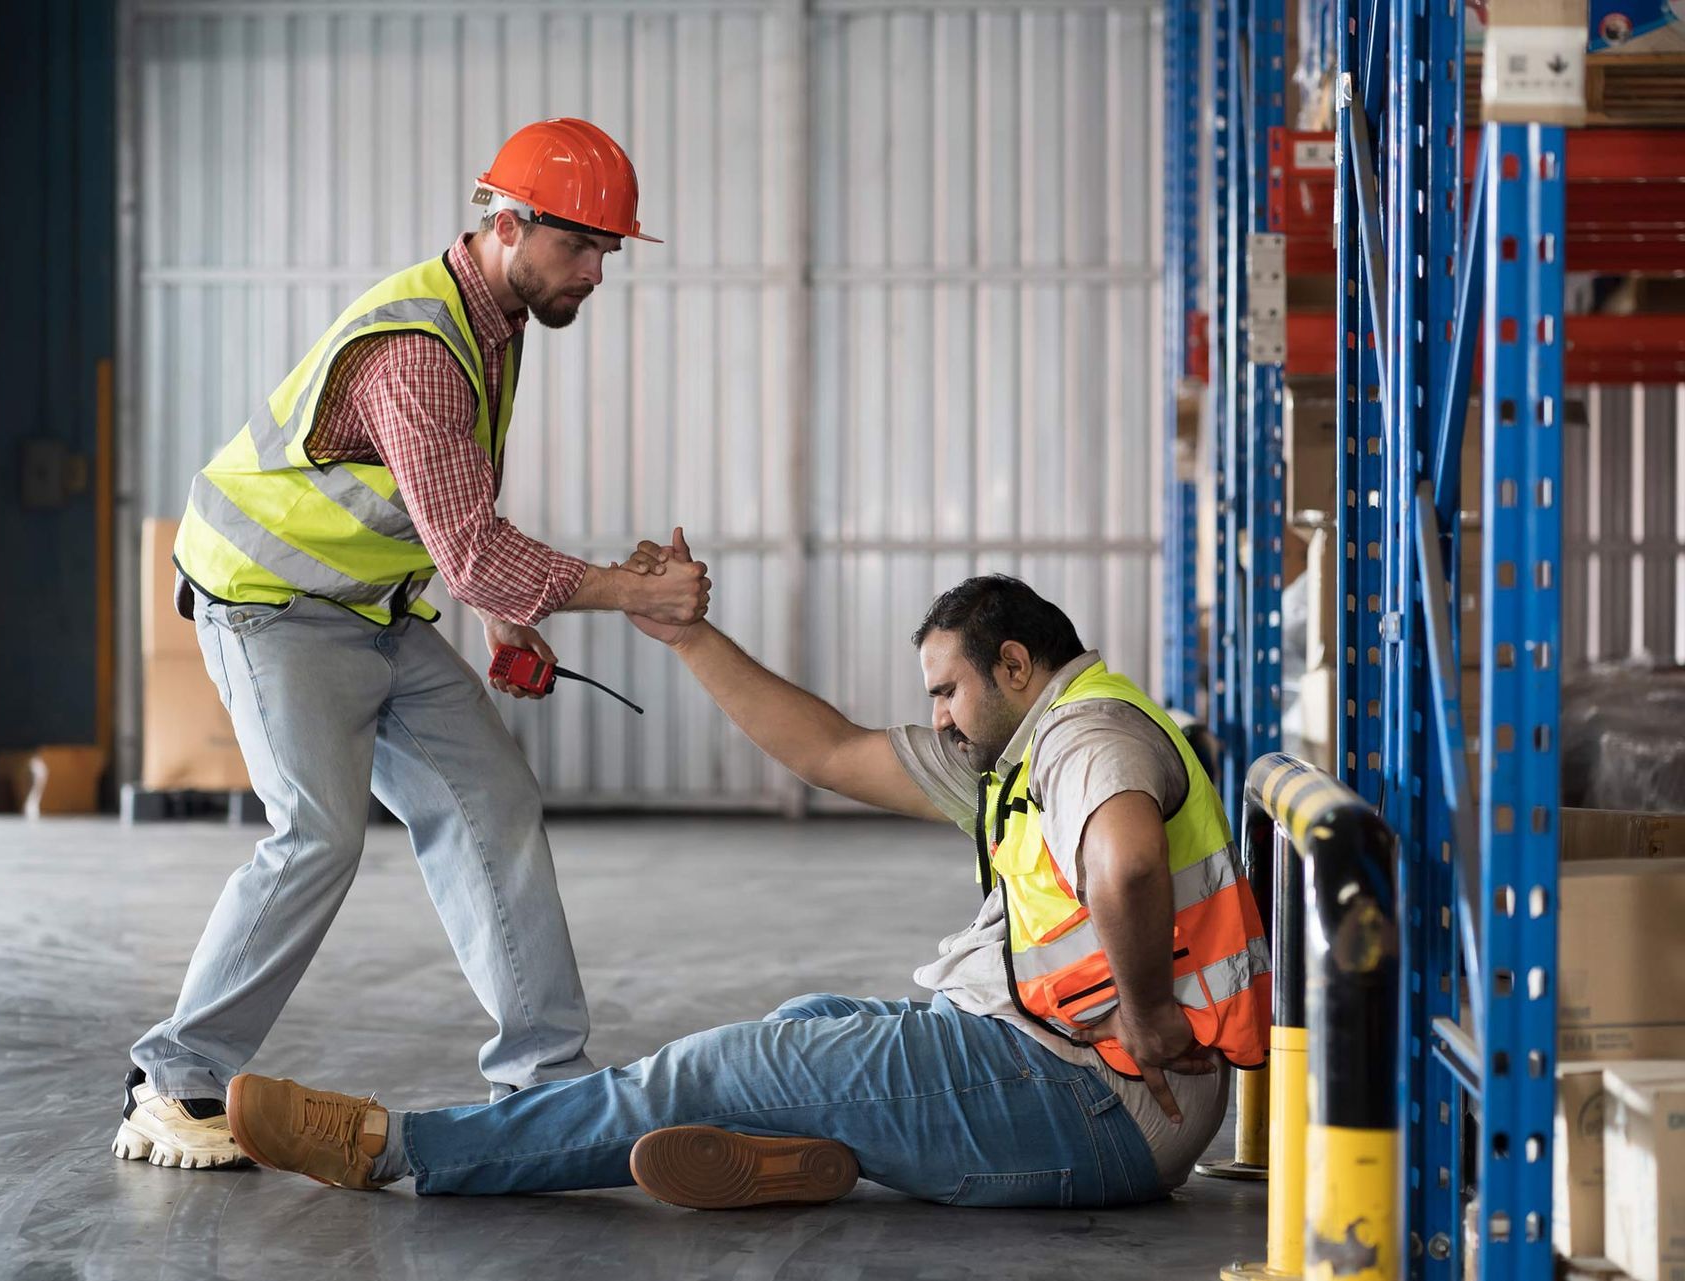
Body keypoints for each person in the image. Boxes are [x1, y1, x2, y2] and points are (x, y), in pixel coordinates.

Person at [217, 546, 1272, 1210]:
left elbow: (1126, 859)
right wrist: (688, 637)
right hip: (1073, 1084)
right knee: (806, 1022)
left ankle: (397, 1147)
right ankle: (793, 1159)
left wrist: (1144, 1016)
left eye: (947, 690)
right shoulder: (1019, 753)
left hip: (1096, 1103)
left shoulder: (1089, 737)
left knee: (717, 1067)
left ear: (1014, 667)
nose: (938, 716)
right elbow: (824, 749)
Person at [114, 119, 711, 1172]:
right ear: (510, 223)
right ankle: (173, 1080)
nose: (595, 275)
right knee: (317, 834)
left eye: (608, 255)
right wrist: (634, 592)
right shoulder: (420, 349)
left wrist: (503, 614)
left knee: (494, 802)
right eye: (579, 249)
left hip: (375, 608)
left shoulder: (498, 320)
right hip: (268, 602)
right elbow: (476, 550)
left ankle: (547, 1082)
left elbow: (454, 518)